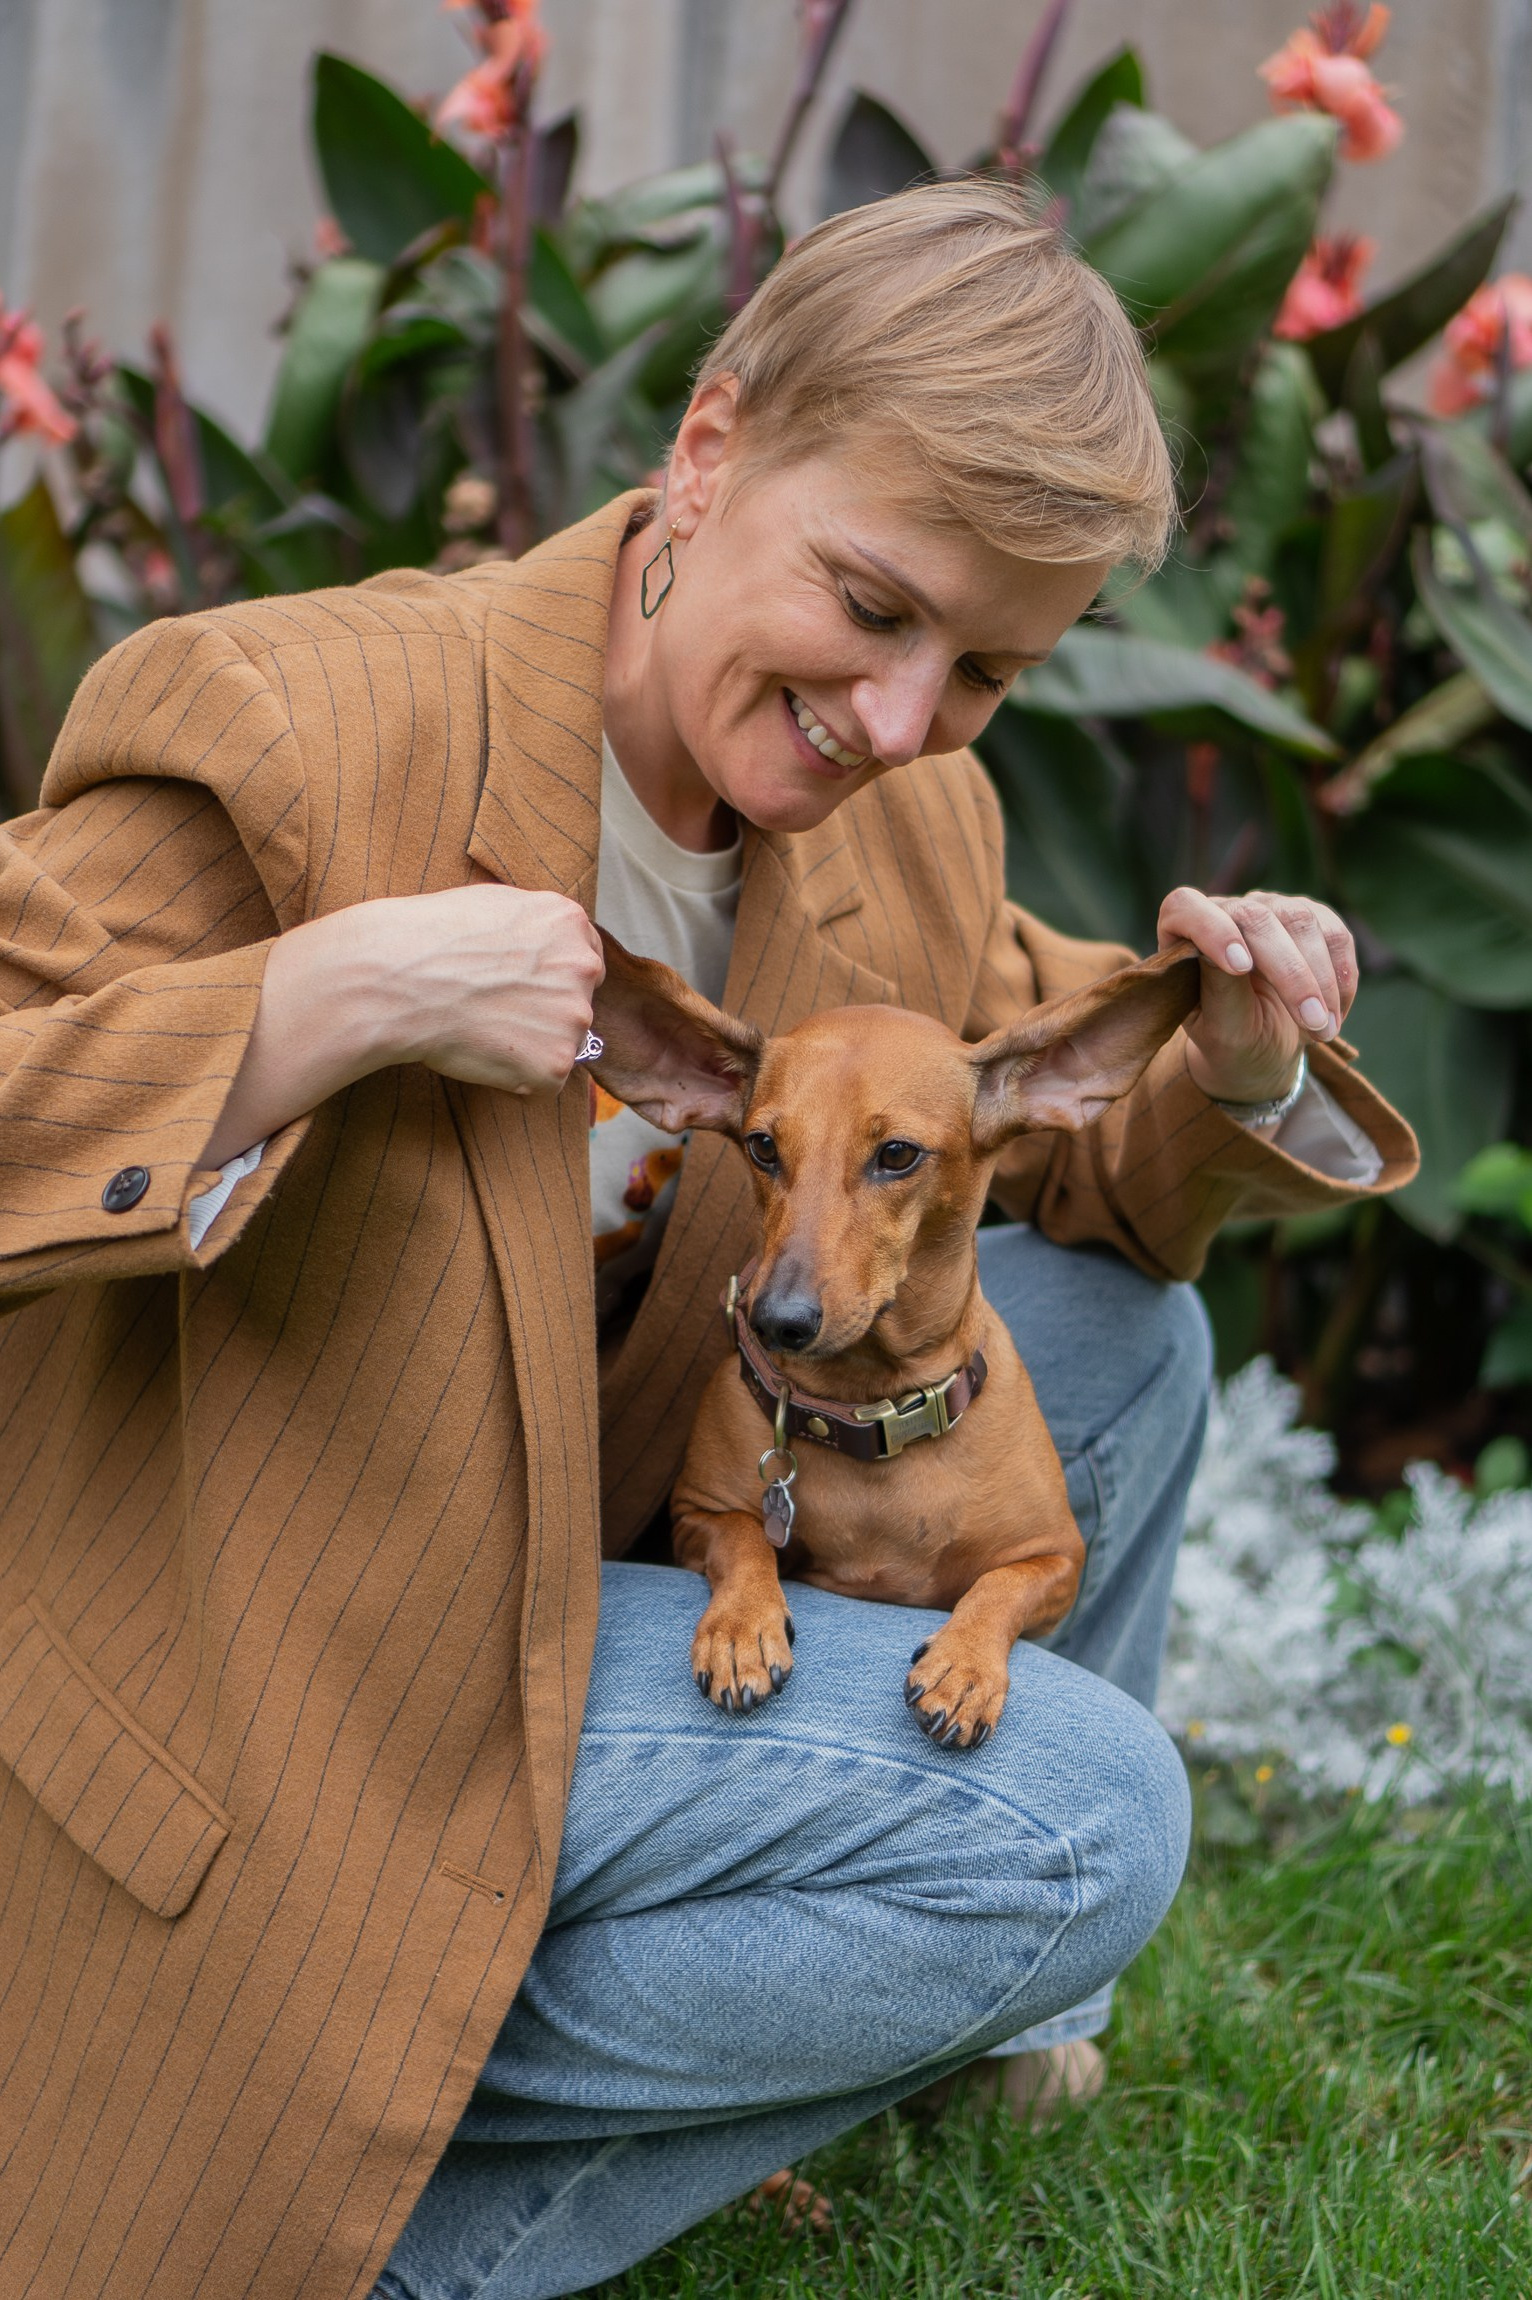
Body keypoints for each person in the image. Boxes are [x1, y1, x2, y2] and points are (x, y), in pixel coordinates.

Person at [0, 182, 1415, 2300]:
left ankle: (895, 2020)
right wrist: (331, 1000)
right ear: (710, 444)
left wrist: (1228, 1049)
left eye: (983, 671)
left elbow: (1069, 1180)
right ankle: (380, 2208)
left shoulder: (905, 818)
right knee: (1085, 1817)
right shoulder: (288, 722)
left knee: (1116, 1345)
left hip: (610, 1558)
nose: (898, 718)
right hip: (302, 1673)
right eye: (870, 604)